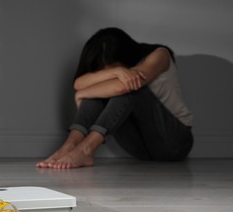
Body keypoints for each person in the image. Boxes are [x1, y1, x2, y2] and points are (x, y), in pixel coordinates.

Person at [37, 27, 193, 169]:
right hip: (142, 149)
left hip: (175, 141)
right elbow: (78, 83)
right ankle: (70, 145)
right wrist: (115, 72)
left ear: (126, 55)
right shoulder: (119, 71)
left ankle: (86, 149)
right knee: (99, 92)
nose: (108, 70)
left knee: (131, 88)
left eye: (113, 65)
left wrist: (83, 93)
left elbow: (123, 87)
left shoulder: (159, 55)